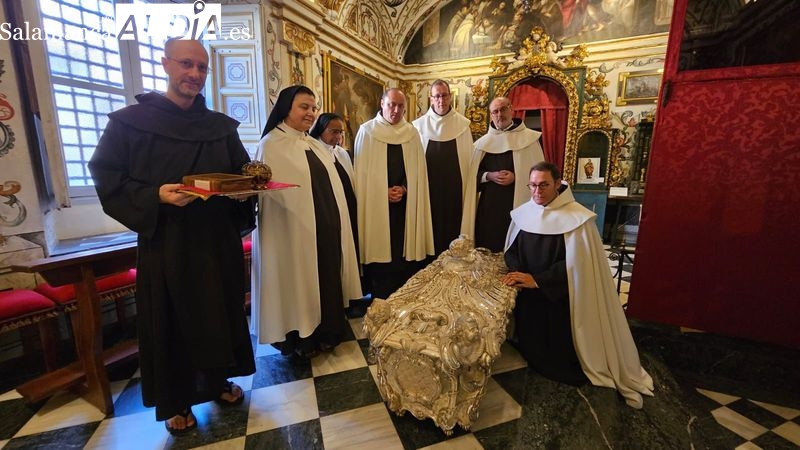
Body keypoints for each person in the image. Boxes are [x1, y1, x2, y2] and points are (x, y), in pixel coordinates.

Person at [88, 38, 255, 435]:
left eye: (202, 67)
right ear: (165, 65)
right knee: (173, 321)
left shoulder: (219, 127)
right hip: (168, 243)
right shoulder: (130, 122)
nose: (194, 74)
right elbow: (108, 177)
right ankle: (176, 400)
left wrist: (247, 187)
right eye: (186, 64)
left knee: (220, 314)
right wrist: (154, 196)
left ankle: (217, 382)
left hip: (217, 241)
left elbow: (241, 169)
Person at [502, 161, 654, 408]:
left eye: (543, 185)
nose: (537, 192)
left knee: (559, 352)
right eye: (532, 185)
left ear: (558, 184)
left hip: (561, 297)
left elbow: (577, 264)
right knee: (530, 341)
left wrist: (538, 280)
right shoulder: (523, 212)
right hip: (529, 296)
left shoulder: (578, 218)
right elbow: (511, 249)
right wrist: (519, 272)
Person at [251, 86, 361, 359]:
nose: (311, 113)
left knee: (326, 278)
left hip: (325, 230)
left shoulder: (311, 143)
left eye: (314, 107)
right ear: (287, 107)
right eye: (304, 107)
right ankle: (300, 339)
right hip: (293, 233)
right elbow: (273, 198)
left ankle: (327, 332)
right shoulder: (272, 144)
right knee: (299, 282)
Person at [354, 88, 434, 300]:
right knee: (381, 258)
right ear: (382, 103)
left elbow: (418, 171)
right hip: (377, 207)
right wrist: (383, 192)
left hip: (405, 205)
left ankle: (404, 299)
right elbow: (361, 175)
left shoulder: (411, 133)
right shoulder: (367, 131)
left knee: (404, 256)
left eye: (401, 106)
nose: (396, 110)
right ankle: (380, 301)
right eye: (392, 104)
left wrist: (405, 188)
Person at [461, 96, 544, 252]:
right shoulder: (482, 144)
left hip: (518, 201)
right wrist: (489, 176)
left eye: (503, 109)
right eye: (495, 111)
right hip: (489, 204)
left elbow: (539, 173)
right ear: (491, 115)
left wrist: (517, 177)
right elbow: (472, 176)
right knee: (488, 245)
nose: (500, 114)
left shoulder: (530, 139)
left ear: (511, 109)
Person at [309, 112, 368, 317]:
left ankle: (351, 296)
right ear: (321, 130)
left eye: (340, 132)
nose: (338, 137)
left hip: (348, 211)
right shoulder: (314, 150)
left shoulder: (341, 153)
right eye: (333, 132)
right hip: (330, 215)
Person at [412, 80, 474, 256]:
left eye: (444, 95)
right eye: (437, 96)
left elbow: (468, 161)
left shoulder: (463, 125)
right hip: (427, 189)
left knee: (452, 228)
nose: (441, 100)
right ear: (431, 99)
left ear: (450, 96)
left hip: (454, 190)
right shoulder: (418, 126)